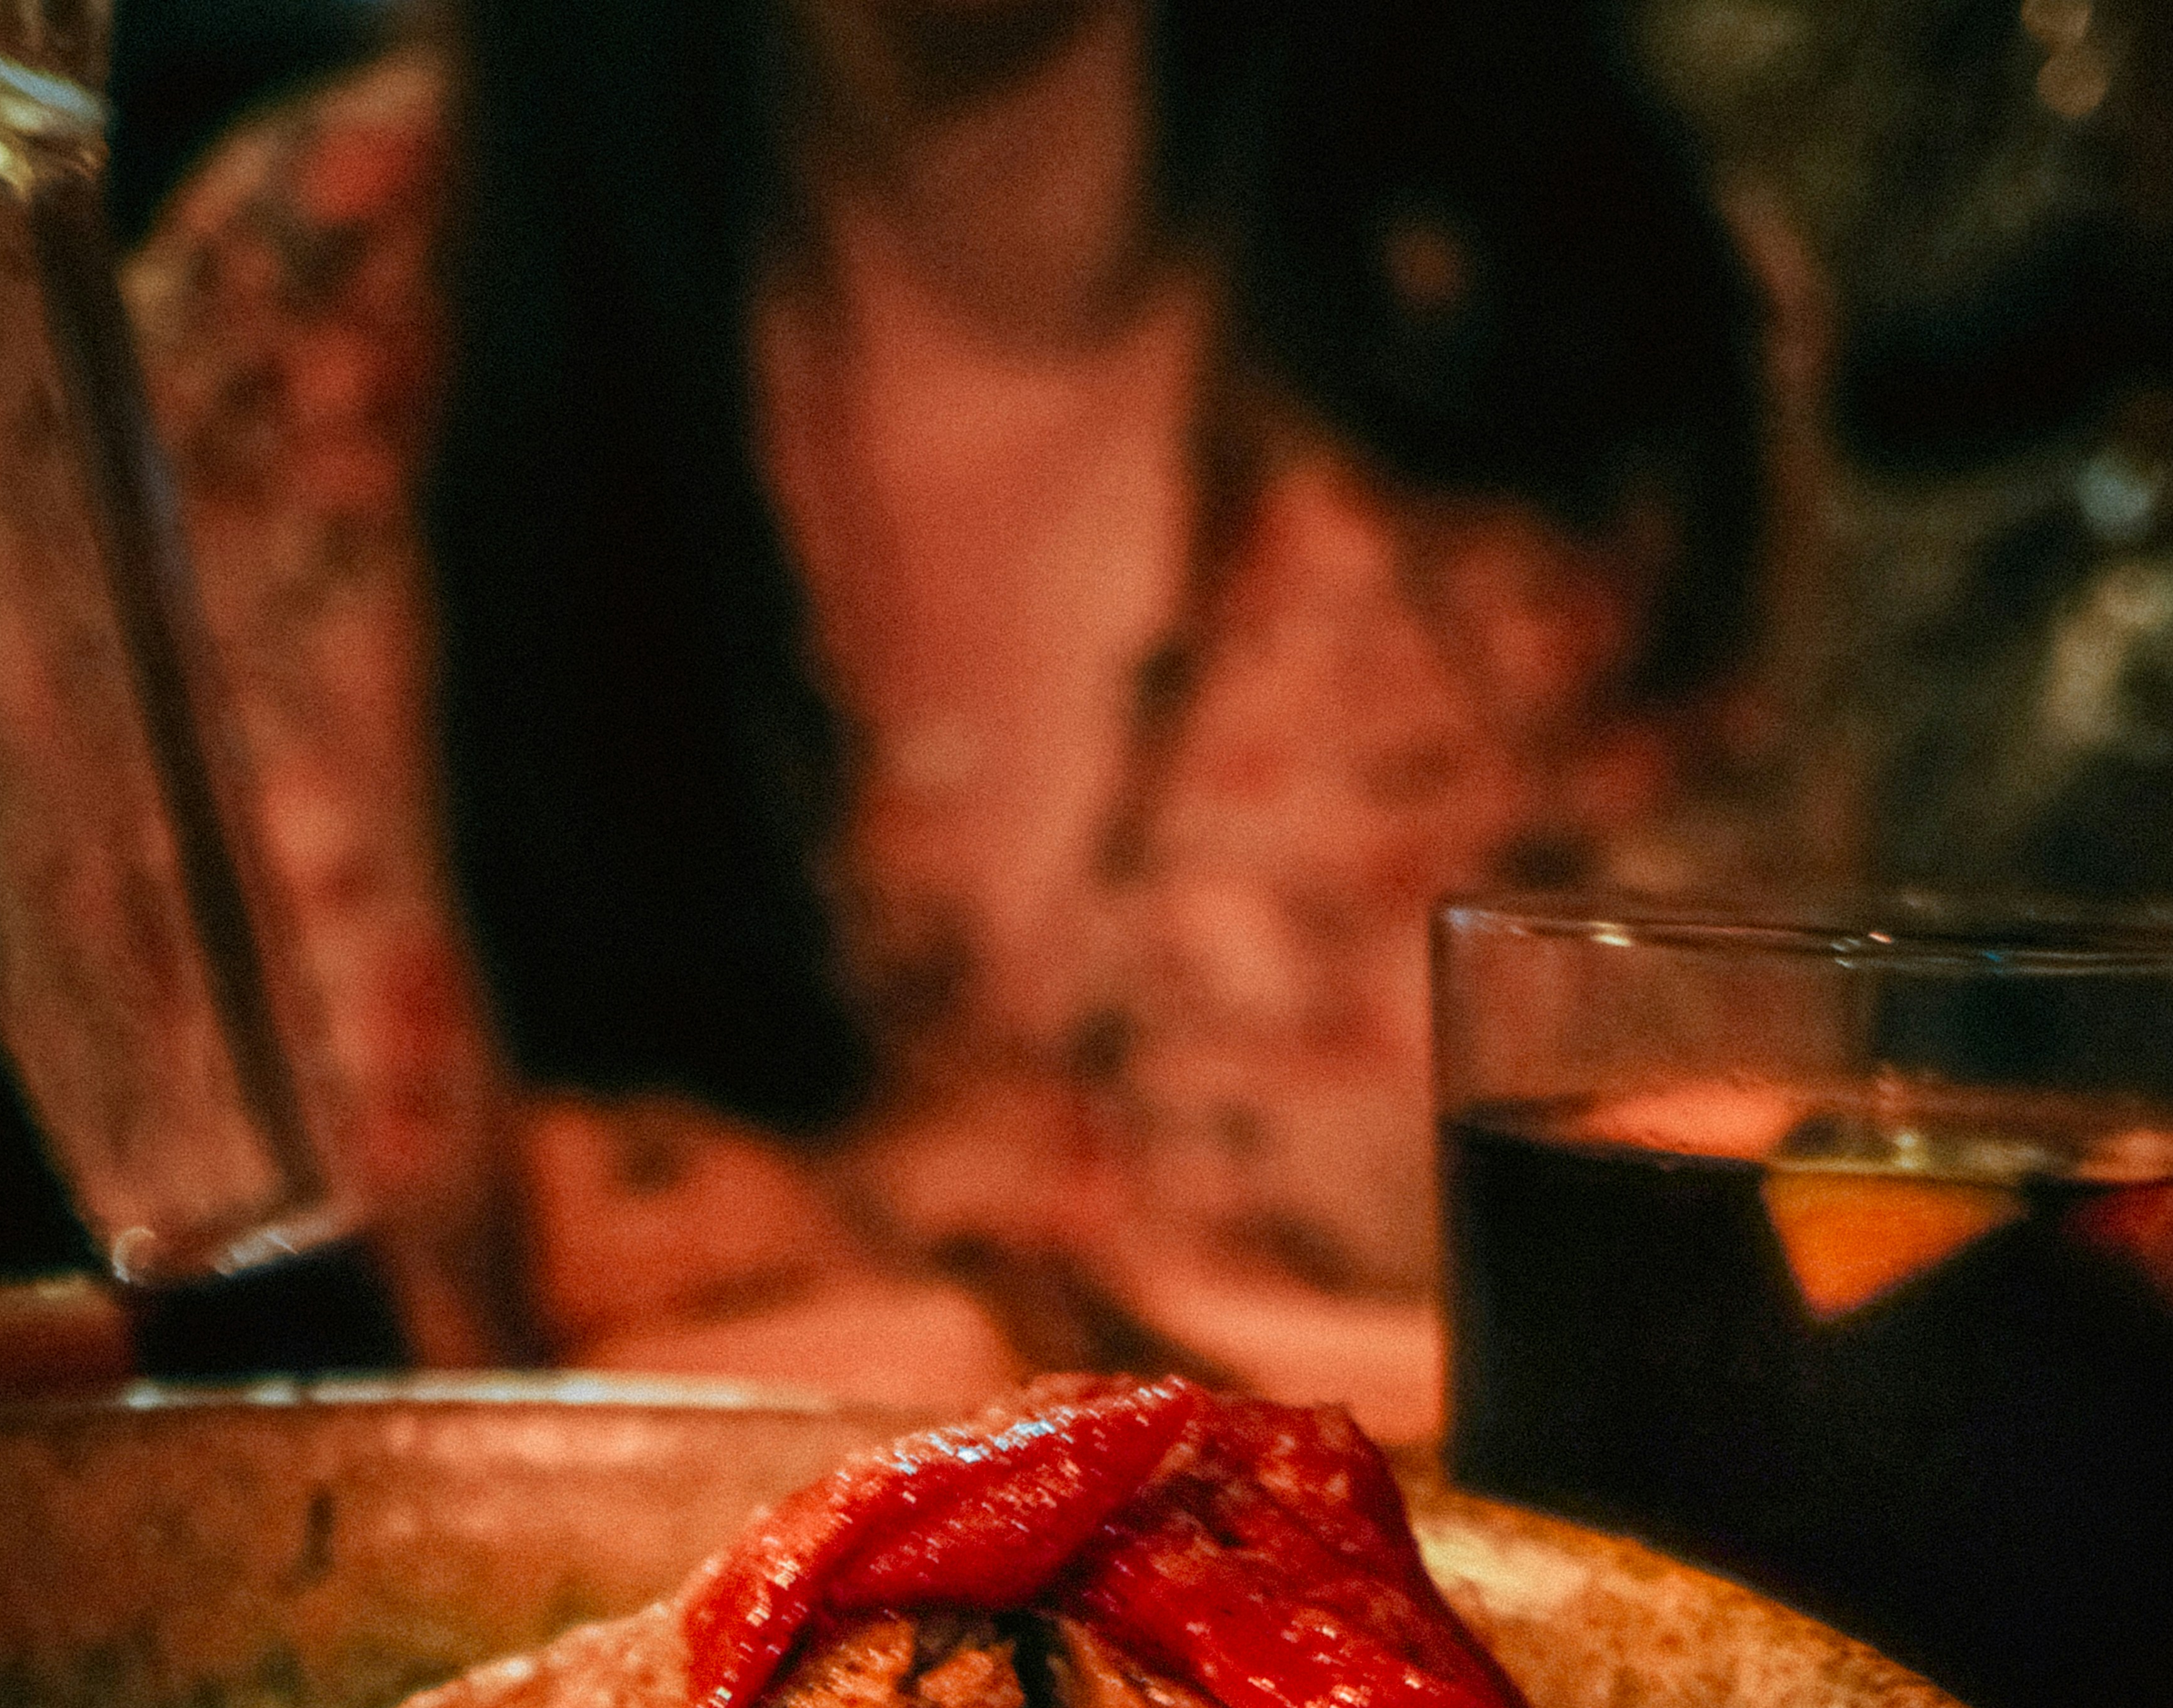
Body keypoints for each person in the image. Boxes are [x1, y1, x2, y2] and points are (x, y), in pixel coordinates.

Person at [122, 0, 1784, 1421]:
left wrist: (1024, 1347)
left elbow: (1705, 1343)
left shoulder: (1587, 340)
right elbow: (267, 1350)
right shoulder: (347, 295)